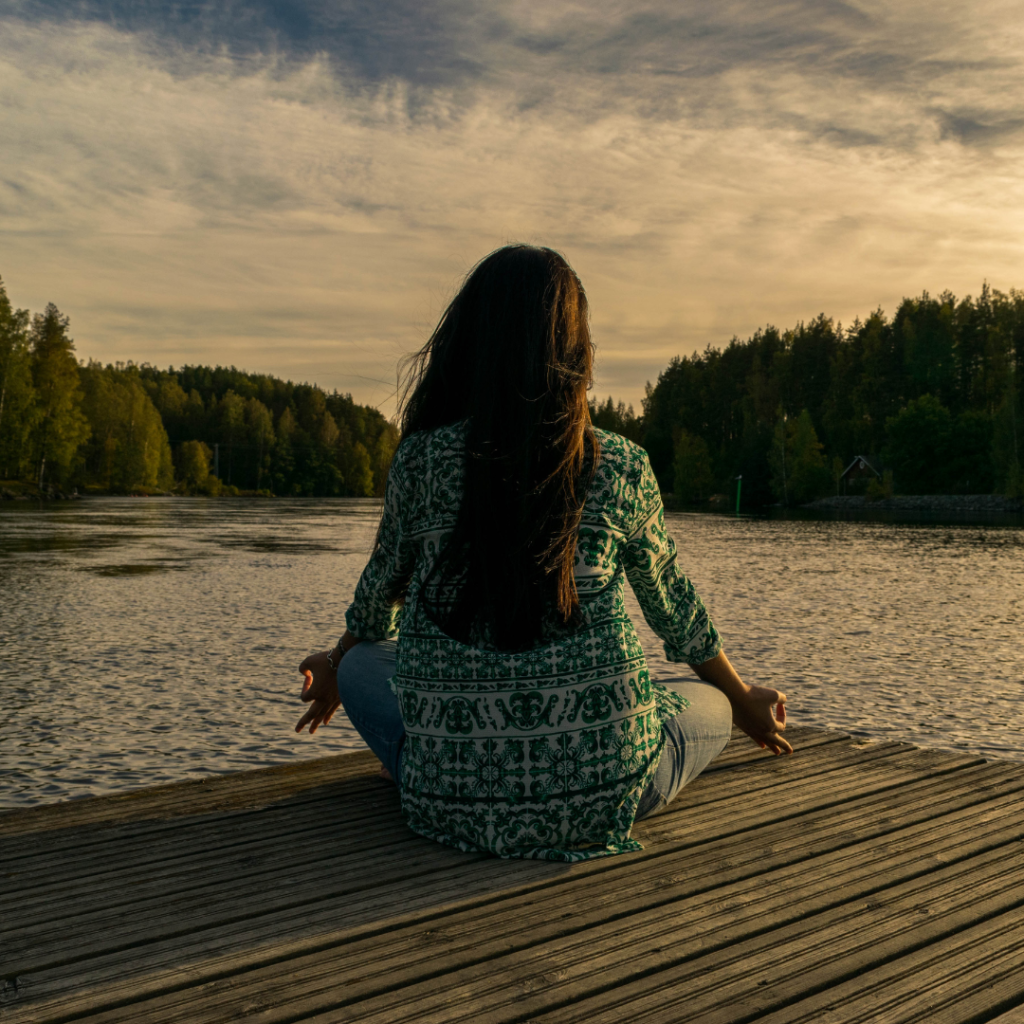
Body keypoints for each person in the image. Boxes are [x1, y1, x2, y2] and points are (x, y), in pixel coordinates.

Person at [296, 244, 791, 862]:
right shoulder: (621, 464)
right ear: (575, 351)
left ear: (469, 341)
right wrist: (743, 700)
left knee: (367, 661)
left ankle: (439, 767)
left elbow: (376, 604)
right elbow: (675, 611)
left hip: (448, 801)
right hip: (606, 792)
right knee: (710, 700)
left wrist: (341, 660)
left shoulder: (421, 460)